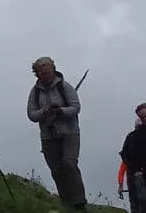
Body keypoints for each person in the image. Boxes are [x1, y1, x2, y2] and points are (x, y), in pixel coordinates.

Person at [26, 56, 88, 210]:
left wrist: (60, 111)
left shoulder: (65, 87)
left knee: (69, 164)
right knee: (57, 170)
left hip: (70, 132)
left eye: (48, 72)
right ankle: (66, 203)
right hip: (48, 135)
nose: (46, 76)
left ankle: (79, 202)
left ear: (53, 70)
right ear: (37, 74)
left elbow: (76, 108)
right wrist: (44, 112)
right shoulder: (35, 92)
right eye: (42, 73)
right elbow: (31, 114)